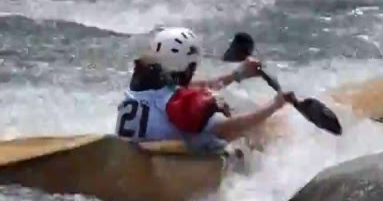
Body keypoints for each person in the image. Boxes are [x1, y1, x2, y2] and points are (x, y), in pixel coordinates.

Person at [115, 27, 294, 150]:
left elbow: (193, 87)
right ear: (186, 65)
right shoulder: (180, 105)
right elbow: (231, 127)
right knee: (262, 127)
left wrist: (237, 75)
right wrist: (274, 106)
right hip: (169, 163)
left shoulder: (140, 87)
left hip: (137, 151)